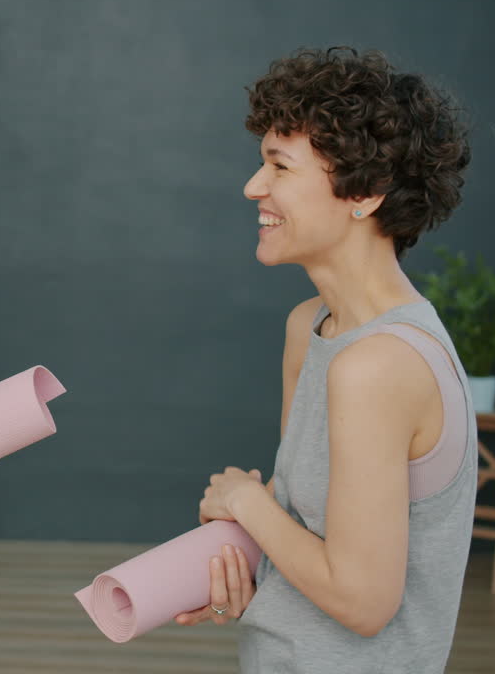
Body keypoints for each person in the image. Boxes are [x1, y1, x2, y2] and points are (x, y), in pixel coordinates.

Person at [176, 48, 476, 673]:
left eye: (279, 166)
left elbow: (363, 602)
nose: (253, 186)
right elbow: (311, 543)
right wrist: (243, 571)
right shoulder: (310, 329)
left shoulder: (380, 365)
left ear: (364, 193)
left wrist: (244, 501)